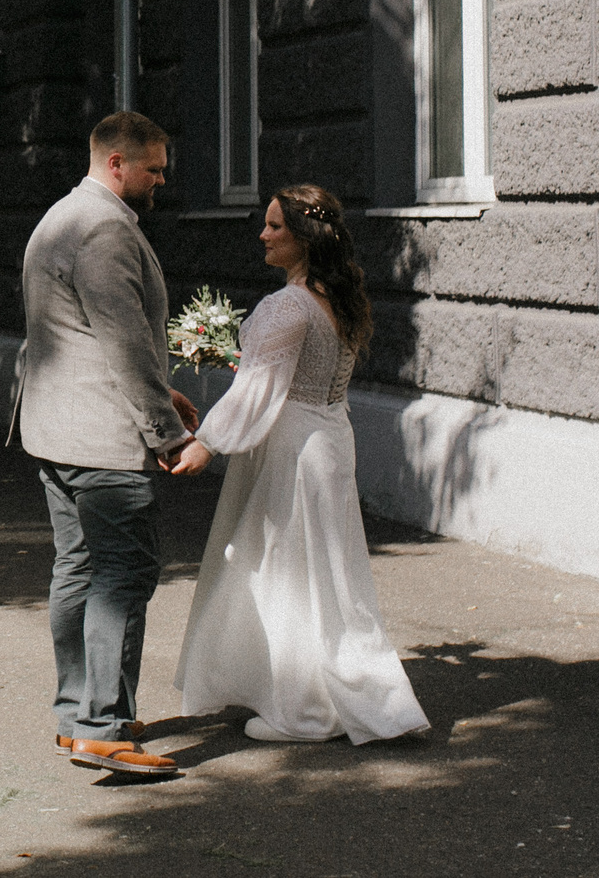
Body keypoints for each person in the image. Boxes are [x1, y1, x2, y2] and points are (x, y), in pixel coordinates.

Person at [167, 183, 429, 744]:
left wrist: (206, 442)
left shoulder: (286, 305)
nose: (263, 235)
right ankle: (339, 694)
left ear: (304, 237)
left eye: (275, 227)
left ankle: (301, 710)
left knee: (287, 572)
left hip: (295, 447)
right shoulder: (334, 297)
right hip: (331, 437)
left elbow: (256, 389)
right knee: (329, 575)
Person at [14, 111, 202, 778]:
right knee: (124, 574)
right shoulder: (105, 229)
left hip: (55, 429)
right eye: (153, 168)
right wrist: (168, 431)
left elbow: (80, 332)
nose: (160, 180)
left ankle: (76, 715)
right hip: (100, 439)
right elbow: (122, 341)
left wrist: (163, 387)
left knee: (78, 569)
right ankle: (104, 725)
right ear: (117, 161)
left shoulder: (62, 215)